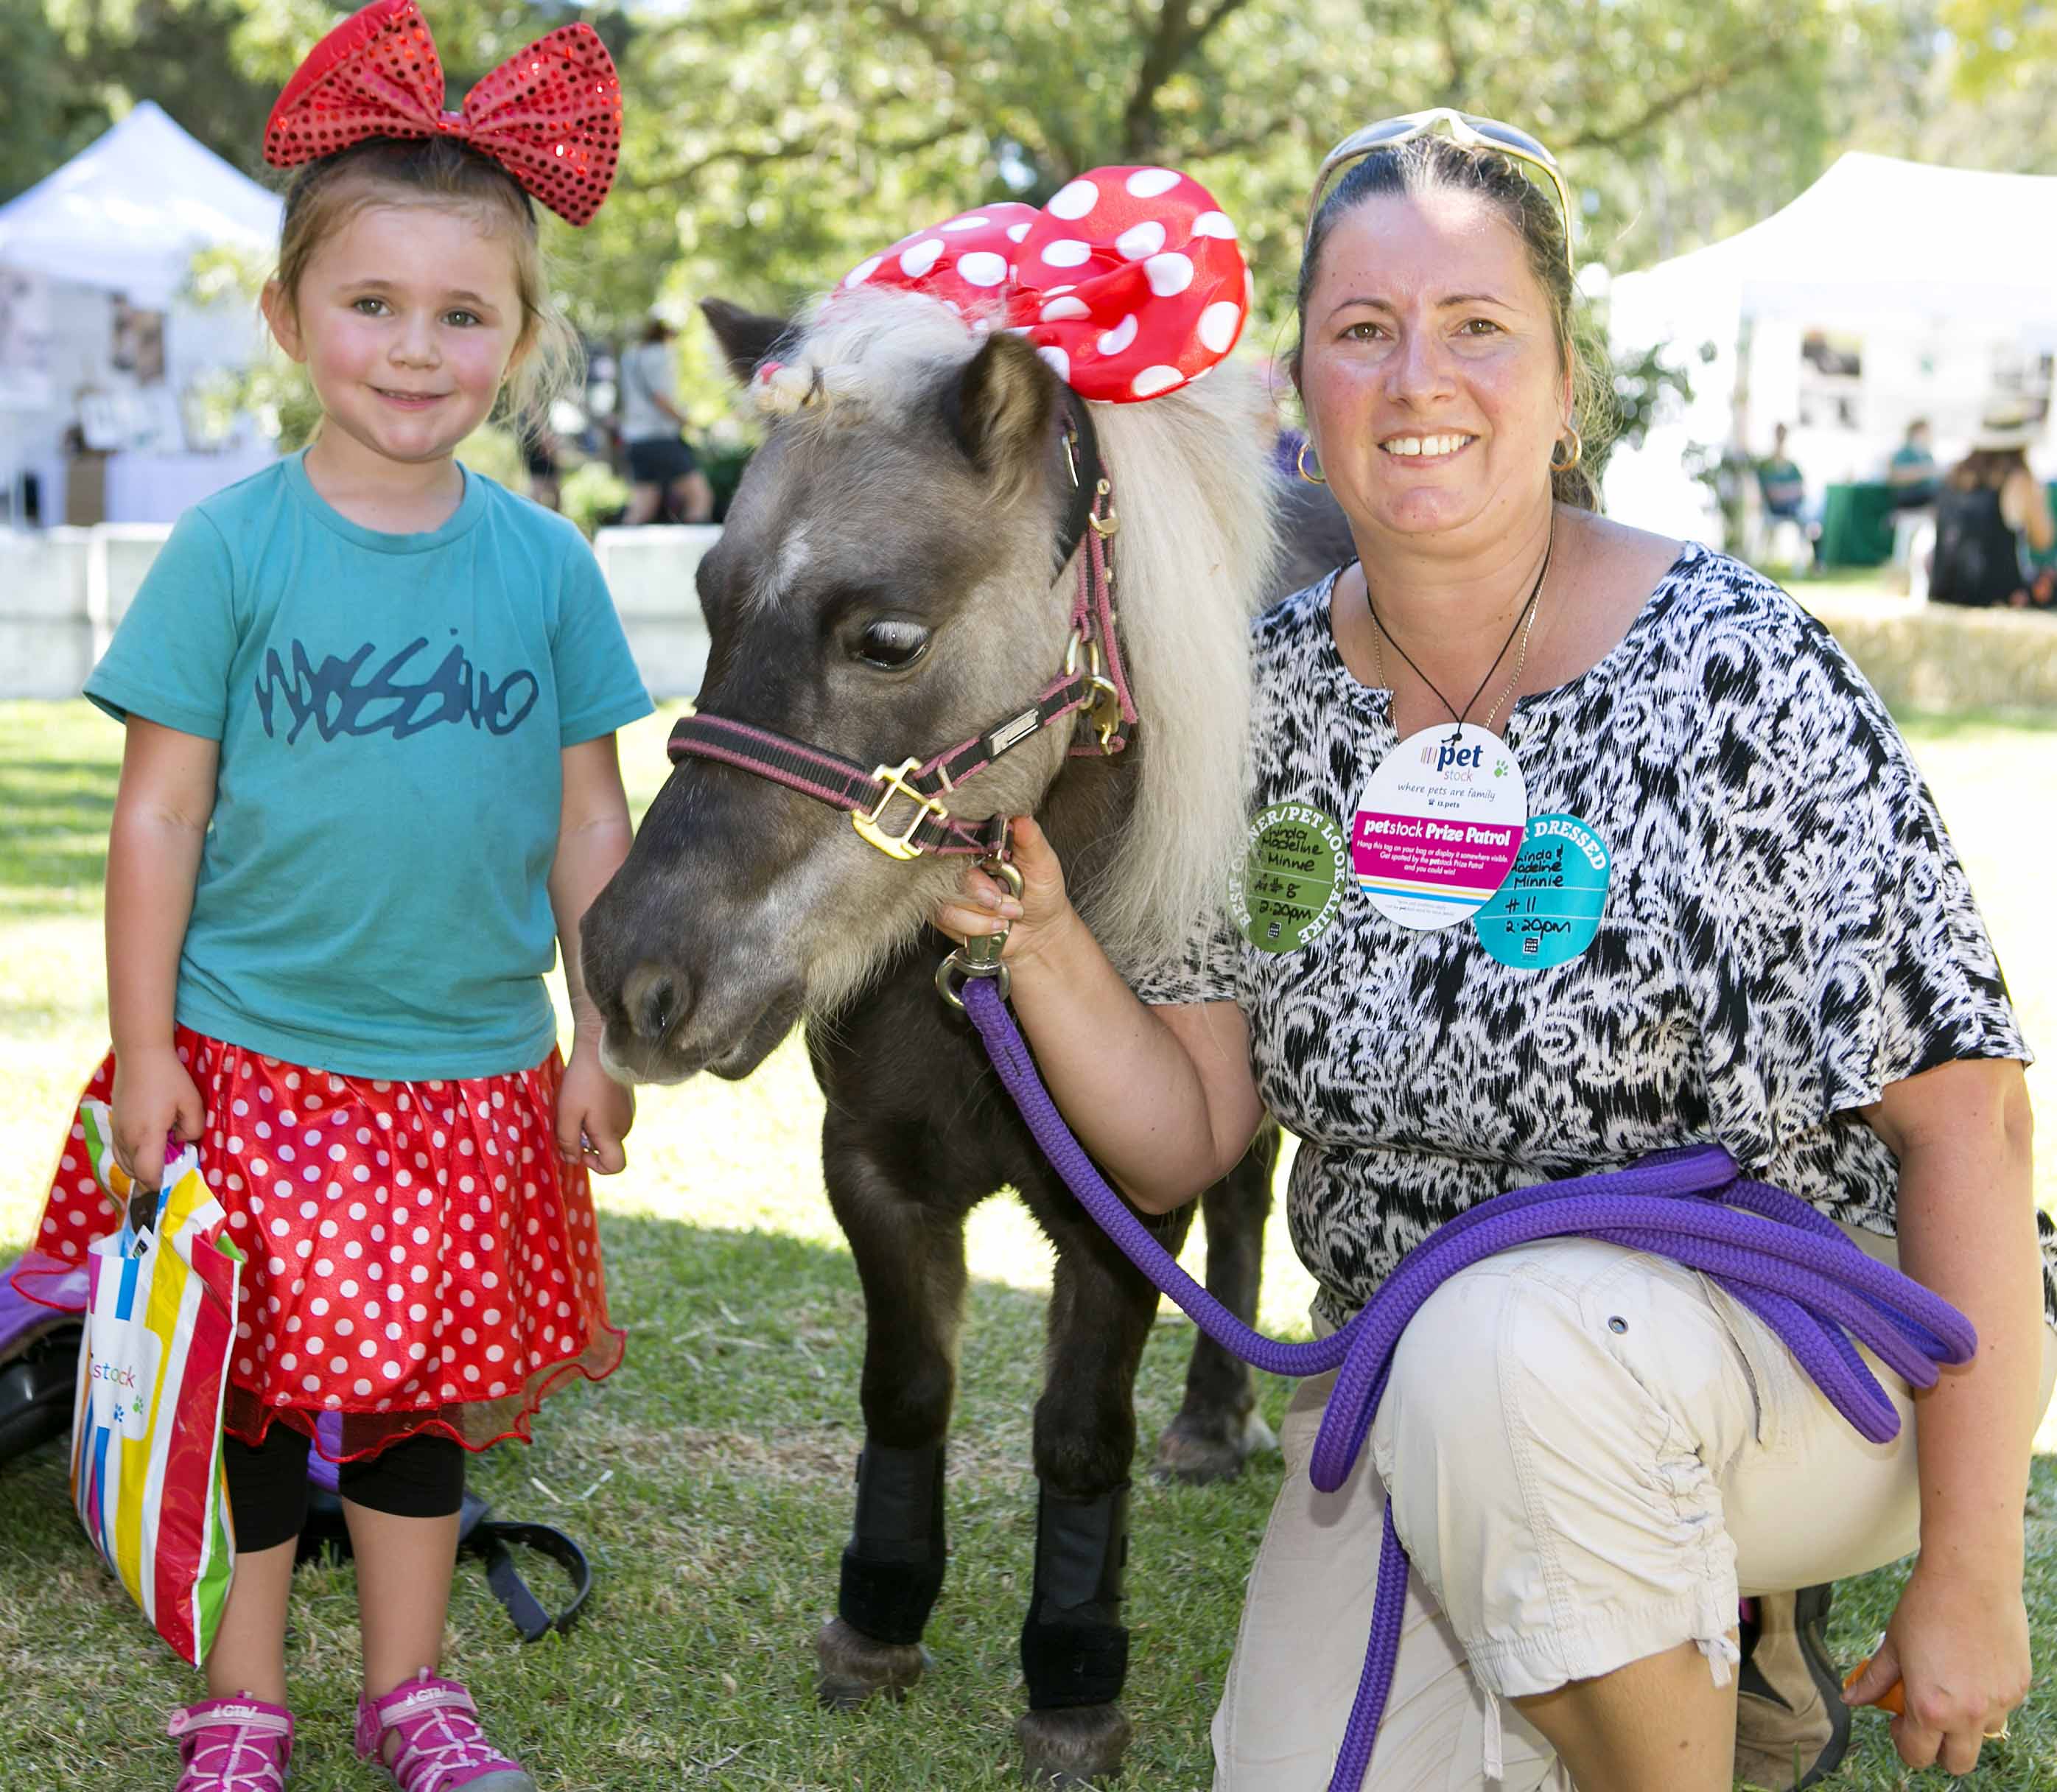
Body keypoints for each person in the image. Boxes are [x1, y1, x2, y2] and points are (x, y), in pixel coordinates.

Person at [937, 112, 2055, 1792]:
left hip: (1794, 1366)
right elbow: (1186, 1131)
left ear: (1560, 378)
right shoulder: (1256, 704)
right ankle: (1641, 1661)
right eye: (1360, 332)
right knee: (1291, 1756)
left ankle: (1688, 1691)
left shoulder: (1733, 672)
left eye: (1473, 329)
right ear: (1297, 389)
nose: (1414, 380)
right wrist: (1037, 941)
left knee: (1499, 1346)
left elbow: (1962, 1123)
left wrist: (1972, 1568)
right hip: (1419, 1402)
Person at [10, 4, 649, 1788]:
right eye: (370, 304)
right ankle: (243, 1688)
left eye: (464, 313)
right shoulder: (232, 549)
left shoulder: (545, 569)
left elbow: (587, 825)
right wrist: (143, 1050)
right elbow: (156, 820)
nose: (414, 347)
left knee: (418, 1405)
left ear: (519, 342)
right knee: (257, 1400)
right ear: (288, 319)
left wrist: (603, 1034)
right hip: (251, 1063)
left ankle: (414, 1686)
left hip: (466, 1076)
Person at [1929, 406, 2056, 612]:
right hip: (2000, 596)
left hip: (1946, 592)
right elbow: (2042, 541)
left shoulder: (1953, 477)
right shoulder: (2020, 481)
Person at [618, 317, 714, 525]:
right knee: (700, 497)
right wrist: (687, 421)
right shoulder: (661, 355)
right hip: (660, 437)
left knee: (643, 505)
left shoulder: (630, 357)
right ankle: (693, 553)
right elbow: (661, 398)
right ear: (669, 334)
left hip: (636, 438)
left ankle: (621, 554)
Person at [1888, 417, 1940, 509]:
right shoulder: (1904, 453)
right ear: (1914, 433)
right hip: (1910, 498)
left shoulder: (1926, 454)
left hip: (1928, 497)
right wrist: (1922, 472)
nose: (1928, 436)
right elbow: (1895, 477)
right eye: (1924, 432)